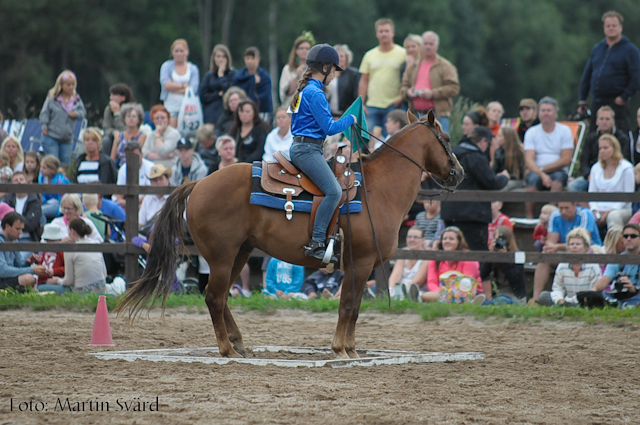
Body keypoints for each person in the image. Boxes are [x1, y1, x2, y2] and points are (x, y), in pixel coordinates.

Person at [288, 44, 356, 262]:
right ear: (325, 68)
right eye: (334, 71)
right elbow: (330, 128)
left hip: (302, 146)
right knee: (334, 192)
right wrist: (351, 119)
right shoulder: (315, 93)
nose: (335, 76)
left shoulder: (302, 91)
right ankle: (317, 241)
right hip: (308, 150)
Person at [441, 126, 509, 251]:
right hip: (472, 215)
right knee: (477, 252)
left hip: (449, 211)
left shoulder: (451, 154)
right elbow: (491, 183)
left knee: (452, 252)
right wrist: (504, 178)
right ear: (483, 141)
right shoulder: (475, 157)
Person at [578, 11, 640, 135]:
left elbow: (637, 77)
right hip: (597, 100)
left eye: (614, 25)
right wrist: (582, 99)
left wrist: (624, 96)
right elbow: (588, 75)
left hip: (617, 102)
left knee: (620, 135)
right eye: (608, 26)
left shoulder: (630, 50)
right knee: (594, 135)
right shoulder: (597, 49)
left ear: (620, 27)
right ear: (604, 28)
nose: (611, 28)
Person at [531, 201, 602, 303]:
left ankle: (582, 299)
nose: (563, 211)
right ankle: (535, 299)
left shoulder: (585, 214)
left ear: (575, 205)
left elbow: (583, 241)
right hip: (567, 251)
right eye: (561, 208)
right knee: (545, 257)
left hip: (591, 251)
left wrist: (557, 246)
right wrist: (549, 248)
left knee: (578, 247)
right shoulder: (555, 215)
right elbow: (551, 242)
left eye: (566, 208)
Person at [524, 97, 574, 218]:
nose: (546, 113)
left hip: (558, 170)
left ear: (555, 113)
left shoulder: (565, 131)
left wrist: (542, 169)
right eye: (543, 110)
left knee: (557, 182)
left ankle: (550, 215)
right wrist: (541, 174)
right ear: (538, 113)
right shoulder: (531, 132)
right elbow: (529, 159)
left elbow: (566, 159)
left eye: (549, 110)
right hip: (536, 171)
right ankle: (529, 216)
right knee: (531, 183)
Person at [400, 31, 459, 134]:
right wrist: (408, 92)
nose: (428, 47)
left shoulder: (445, 66)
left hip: (438, 114)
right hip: (416, 115)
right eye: (425, 44)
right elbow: (403, 86)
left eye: (431, 44)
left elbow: (454, 88)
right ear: (421, 45)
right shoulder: (413, 66)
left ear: (437, 46)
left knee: (441, 146)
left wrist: (432, 93)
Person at [358, 18, 406, 135]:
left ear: (393, 33)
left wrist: (401, 98)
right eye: (381, 31)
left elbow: (409, 77)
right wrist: (361, 102)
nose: (384, 34)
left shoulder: (403, 53)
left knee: (391, 139)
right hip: (372, 105)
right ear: (376, 34)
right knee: (370, 139)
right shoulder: (369, 55)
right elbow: (364, 80)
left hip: (393, 104)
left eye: (386, 31)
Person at [570, 106, 632, 192]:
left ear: (613, 121)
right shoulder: (590, 138)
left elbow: (624, 158)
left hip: (616, 175)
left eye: (607, 119)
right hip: (593, 174)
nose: (604, 122)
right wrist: (588, 175)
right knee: (573, 186)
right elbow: (584, 160)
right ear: (596, 121)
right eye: (601, 119)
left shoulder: (622, 138)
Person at [538, 228, 601, 307]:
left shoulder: (593, 266)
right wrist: (559, 299)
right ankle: (563, 306)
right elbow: (557, 288)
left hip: (584, 301)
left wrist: (571, 300)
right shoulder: (562, 265)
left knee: (592, 299)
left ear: (585, 248)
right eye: (571, 244)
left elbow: (592, 292)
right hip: (565, 300)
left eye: (578, 244)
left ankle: (565, 306)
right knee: (543, 296)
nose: (574, 247)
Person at [38, 70, 86, 169]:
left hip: (67, 137)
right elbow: (44, 113)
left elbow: (83, 112)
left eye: (73, 84)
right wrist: (44, 125)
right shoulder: (53, 98)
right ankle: (52, 183)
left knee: (65, 163)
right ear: (61, 85)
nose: (71, 87)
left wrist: (76, 114)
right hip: (51, 135)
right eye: (68, 85)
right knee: (53, 162)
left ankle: (61, 182)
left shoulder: (76, 99)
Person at [421, 226, 481, 303]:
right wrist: (443, 293)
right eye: (444, 239)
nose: (447, 241)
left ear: (459, 241)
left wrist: (448, 294)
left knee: (426, 297)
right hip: (441, 293)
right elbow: (432, 282)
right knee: (426, 295)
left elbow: (467, 283)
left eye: (451, 239)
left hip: (466, 292)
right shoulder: (435, 258)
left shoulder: (468, 257)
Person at [47, 218, 108, 294]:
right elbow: (104, 273)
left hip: (82, 291)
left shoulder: (70, 250)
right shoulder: (95, 244)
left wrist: (58, 281)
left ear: (72, 231)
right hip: (101, 288)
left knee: (43, 287)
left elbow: (69, 281)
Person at [588, 133, 634, 230]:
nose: (602, 151)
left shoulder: (626, 168)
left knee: (613, 216)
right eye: (600, 148)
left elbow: (628, 197)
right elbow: (592, 194)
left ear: (614, 148)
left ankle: (615, 243)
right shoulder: (595, 168)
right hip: (599, 208)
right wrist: (594, 210)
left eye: (605, 148)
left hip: (621, 209)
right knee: (586, 215)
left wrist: (610, 211)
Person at [590, 223, 640, 309]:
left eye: (633, 236)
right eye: (625, 236)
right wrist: (593, 291)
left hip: (637, 295)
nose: (629, 239)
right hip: (620, 296)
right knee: (601, 295)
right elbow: (604, 279)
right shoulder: (618, 259)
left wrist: (633, 288)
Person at [480, 226, 527, 305]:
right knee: (493, 301)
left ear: (508, 241)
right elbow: (483, 275)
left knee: (501, 300)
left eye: (500, 240)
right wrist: (490, 256)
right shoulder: (495, 257)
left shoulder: (519, 255)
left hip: (516, 297)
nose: (498, 242)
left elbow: (515, 279)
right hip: (498, 296)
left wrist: (505, 259)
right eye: (495, 239)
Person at [160, 39, 200, 128]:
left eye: (181, 51)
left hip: (188, 107)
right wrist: (183, 86)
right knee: (172, 130)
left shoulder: (193, 69)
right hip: (171, 105)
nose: (179, 54)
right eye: (176, 51)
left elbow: (193, 89)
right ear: (172, 53)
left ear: (187, 52)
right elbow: (166, 84)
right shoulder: (166, 66)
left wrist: (173, 86)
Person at [0, 212, 44, 290]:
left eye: (21, 229)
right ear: (7, 226)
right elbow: (2, 270)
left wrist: (28, 262)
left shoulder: (14, 241)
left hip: (7, 277)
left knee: (29, 278)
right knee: (28, 279)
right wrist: (31, 270)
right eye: (17, 229)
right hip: (2, 278)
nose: (20, 232)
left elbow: (18, 264)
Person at [388, 226, 429, 301]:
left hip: (416, 289)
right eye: (409, 237)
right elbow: (396, 274)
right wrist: (391, 288)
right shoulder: (403, 252)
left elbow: (419, 280)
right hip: (399, 288)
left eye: (415, 237)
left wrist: (404, 289)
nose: (412, 239)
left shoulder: (427, 256)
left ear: (423, 240)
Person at [232, 47, 273, 122]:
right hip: (243, 113)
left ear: (258, 59)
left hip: (261, 112)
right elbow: (236, 91)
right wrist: (251, 81)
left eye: (252, 58)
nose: (250, 61)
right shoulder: (239, 77)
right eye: (247, 58)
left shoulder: (264, 77)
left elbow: (265, 96)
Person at [199, 44, 235, 125]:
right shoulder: (209, 76)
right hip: (211, 113)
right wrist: (217, 94)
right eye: (218, 56)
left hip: (227, 115)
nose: (221, 59)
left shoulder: (232, 74)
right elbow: (203, 96)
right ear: (214, 58)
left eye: (223, 57)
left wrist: (221, 76)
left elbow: (230, 92)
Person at [113, 142, 155, 208]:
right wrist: (122, 201)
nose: (132, 158)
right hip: (127, 204)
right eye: (129, 156)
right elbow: (119, 192)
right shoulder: (123, 169)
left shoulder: (151, 167)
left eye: (135, 155)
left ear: (141, 155)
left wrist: (135, 203)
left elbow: (152, 192)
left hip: (146, 203)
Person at [3, 172, 42, 241]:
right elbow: (4, 221)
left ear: (27, 182)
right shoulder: (7, 200)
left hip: (28, 238)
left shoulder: (34, 200)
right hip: (8, 238)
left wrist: (14, 225)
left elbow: (31, 224)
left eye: (21, 179)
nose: (19, 182)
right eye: (16, 180)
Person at [230, 99, 270, 164]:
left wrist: (243, 163)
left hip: (253, 166)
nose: (244, 114)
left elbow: (259, 151)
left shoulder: (261, 129)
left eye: (247, 111)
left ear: (254, 113)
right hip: (235, 165)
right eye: (241, 111)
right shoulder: (234, 129)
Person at [280, 35, 313, 108]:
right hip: (292, 107)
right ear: (296, 51)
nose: (304, 51)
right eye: (301, 48)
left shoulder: (315, 69)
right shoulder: (288, 69)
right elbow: (285, 93)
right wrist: (296, 76)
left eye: (307, 48)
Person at [102, 83, 135, 156]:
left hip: (129, 136)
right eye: (110, 95)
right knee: (105, 141)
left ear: (123, 98)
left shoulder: (132, 110)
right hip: (113, 137)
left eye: (114, 95)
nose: (111, 98)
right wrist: (113, 132)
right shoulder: (108, 109)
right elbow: (106, 127)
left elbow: (126, 129)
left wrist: (117, 114)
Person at [111, 103, 147, 168]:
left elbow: (136, 155)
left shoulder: (142, 135)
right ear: (124, 119)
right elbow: (112, 158)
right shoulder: (119, 136)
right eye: (128, 116)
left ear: (138, 119)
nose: (131, 119)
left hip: (134, 167)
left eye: (134, 116)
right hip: (119, 167)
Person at [329, 45, 360, 118]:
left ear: (347, 58)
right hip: (328, 115)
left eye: (342, 56)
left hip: (346, 114)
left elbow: (355, 96)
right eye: (337, 56)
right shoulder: (327, 73)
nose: (339, 59)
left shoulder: (353, 74)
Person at [33, 223, 66, 293]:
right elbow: (42, 264)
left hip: (56, 281)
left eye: (53, 241)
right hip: (42, 280)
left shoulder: (62, 252)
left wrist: (55, 271)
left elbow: (67, 269)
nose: (49, 243)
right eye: (47, 240)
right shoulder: (45, 250)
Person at [38, 155, 70, 220]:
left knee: (41, 211)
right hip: (47, 202)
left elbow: (63, 198)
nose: (41, 169)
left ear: (52, 170)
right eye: (41, 167)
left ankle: (43, 228)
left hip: (58, 204)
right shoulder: (41, 177)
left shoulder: (60, 180)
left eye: (44, 168)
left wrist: (59, 214)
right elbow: (43, 194)